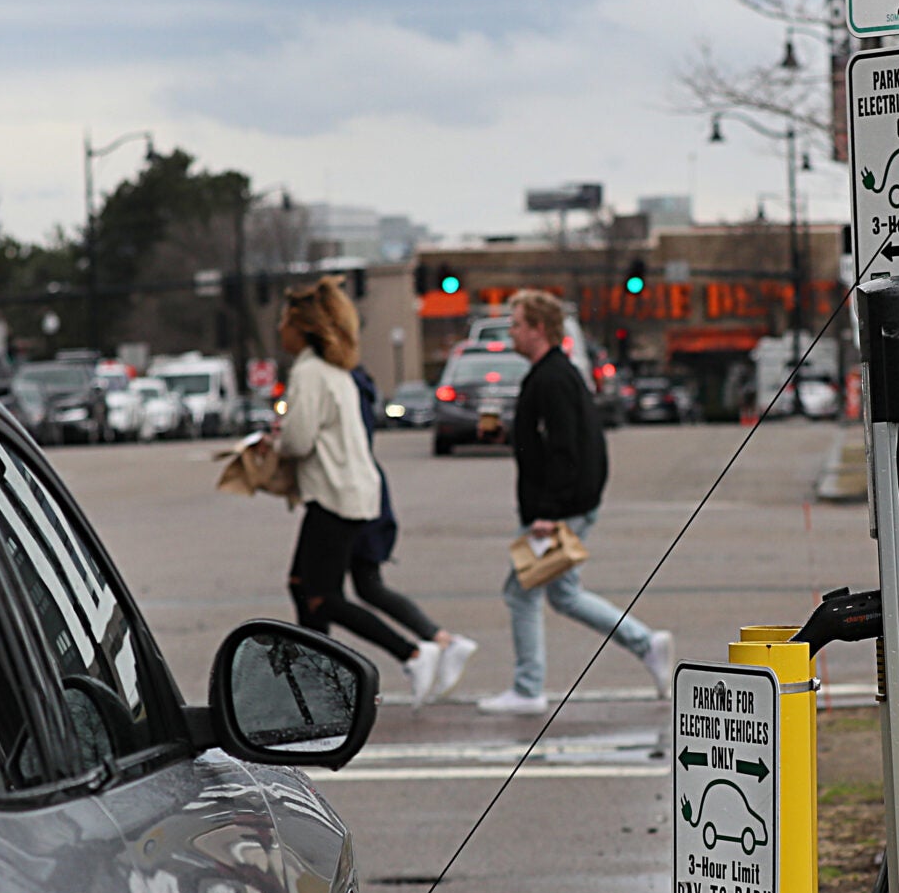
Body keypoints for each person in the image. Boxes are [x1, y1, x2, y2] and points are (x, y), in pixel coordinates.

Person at [477, 289, 673, 715]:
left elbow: (568, 449)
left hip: (559, 510)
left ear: (539, 329)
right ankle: (646, 644)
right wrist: (506, 436)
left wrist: (549, 512)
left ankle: (528, 689)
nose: (510, 332)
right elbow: (549, 444)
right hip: (565, 505)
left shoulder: (552, 378)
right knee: (562, 595)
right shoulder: (552, 374)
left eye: (516, 324)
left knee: (520, 592)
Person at [272, 278, 444, 704]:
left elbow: (298, 441)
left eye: (284, 322)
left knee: (322, 595)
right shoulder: (336, 369)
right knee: (301, 585)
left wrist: (273, 442)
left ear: (302, 326)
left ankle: (412, 653)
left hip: (335, 498)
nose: (279, 331)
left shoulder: (310, 371)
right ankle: (319, 685)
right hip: (348, 494)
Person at [349, 361, 479, 702]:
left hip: (354, 497)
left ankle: (418, 651)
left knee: (323, 593)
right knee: (361, 587)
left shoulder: (343, 383)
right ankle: (439, 642)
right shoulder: (353, 382)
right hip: (361, 493)